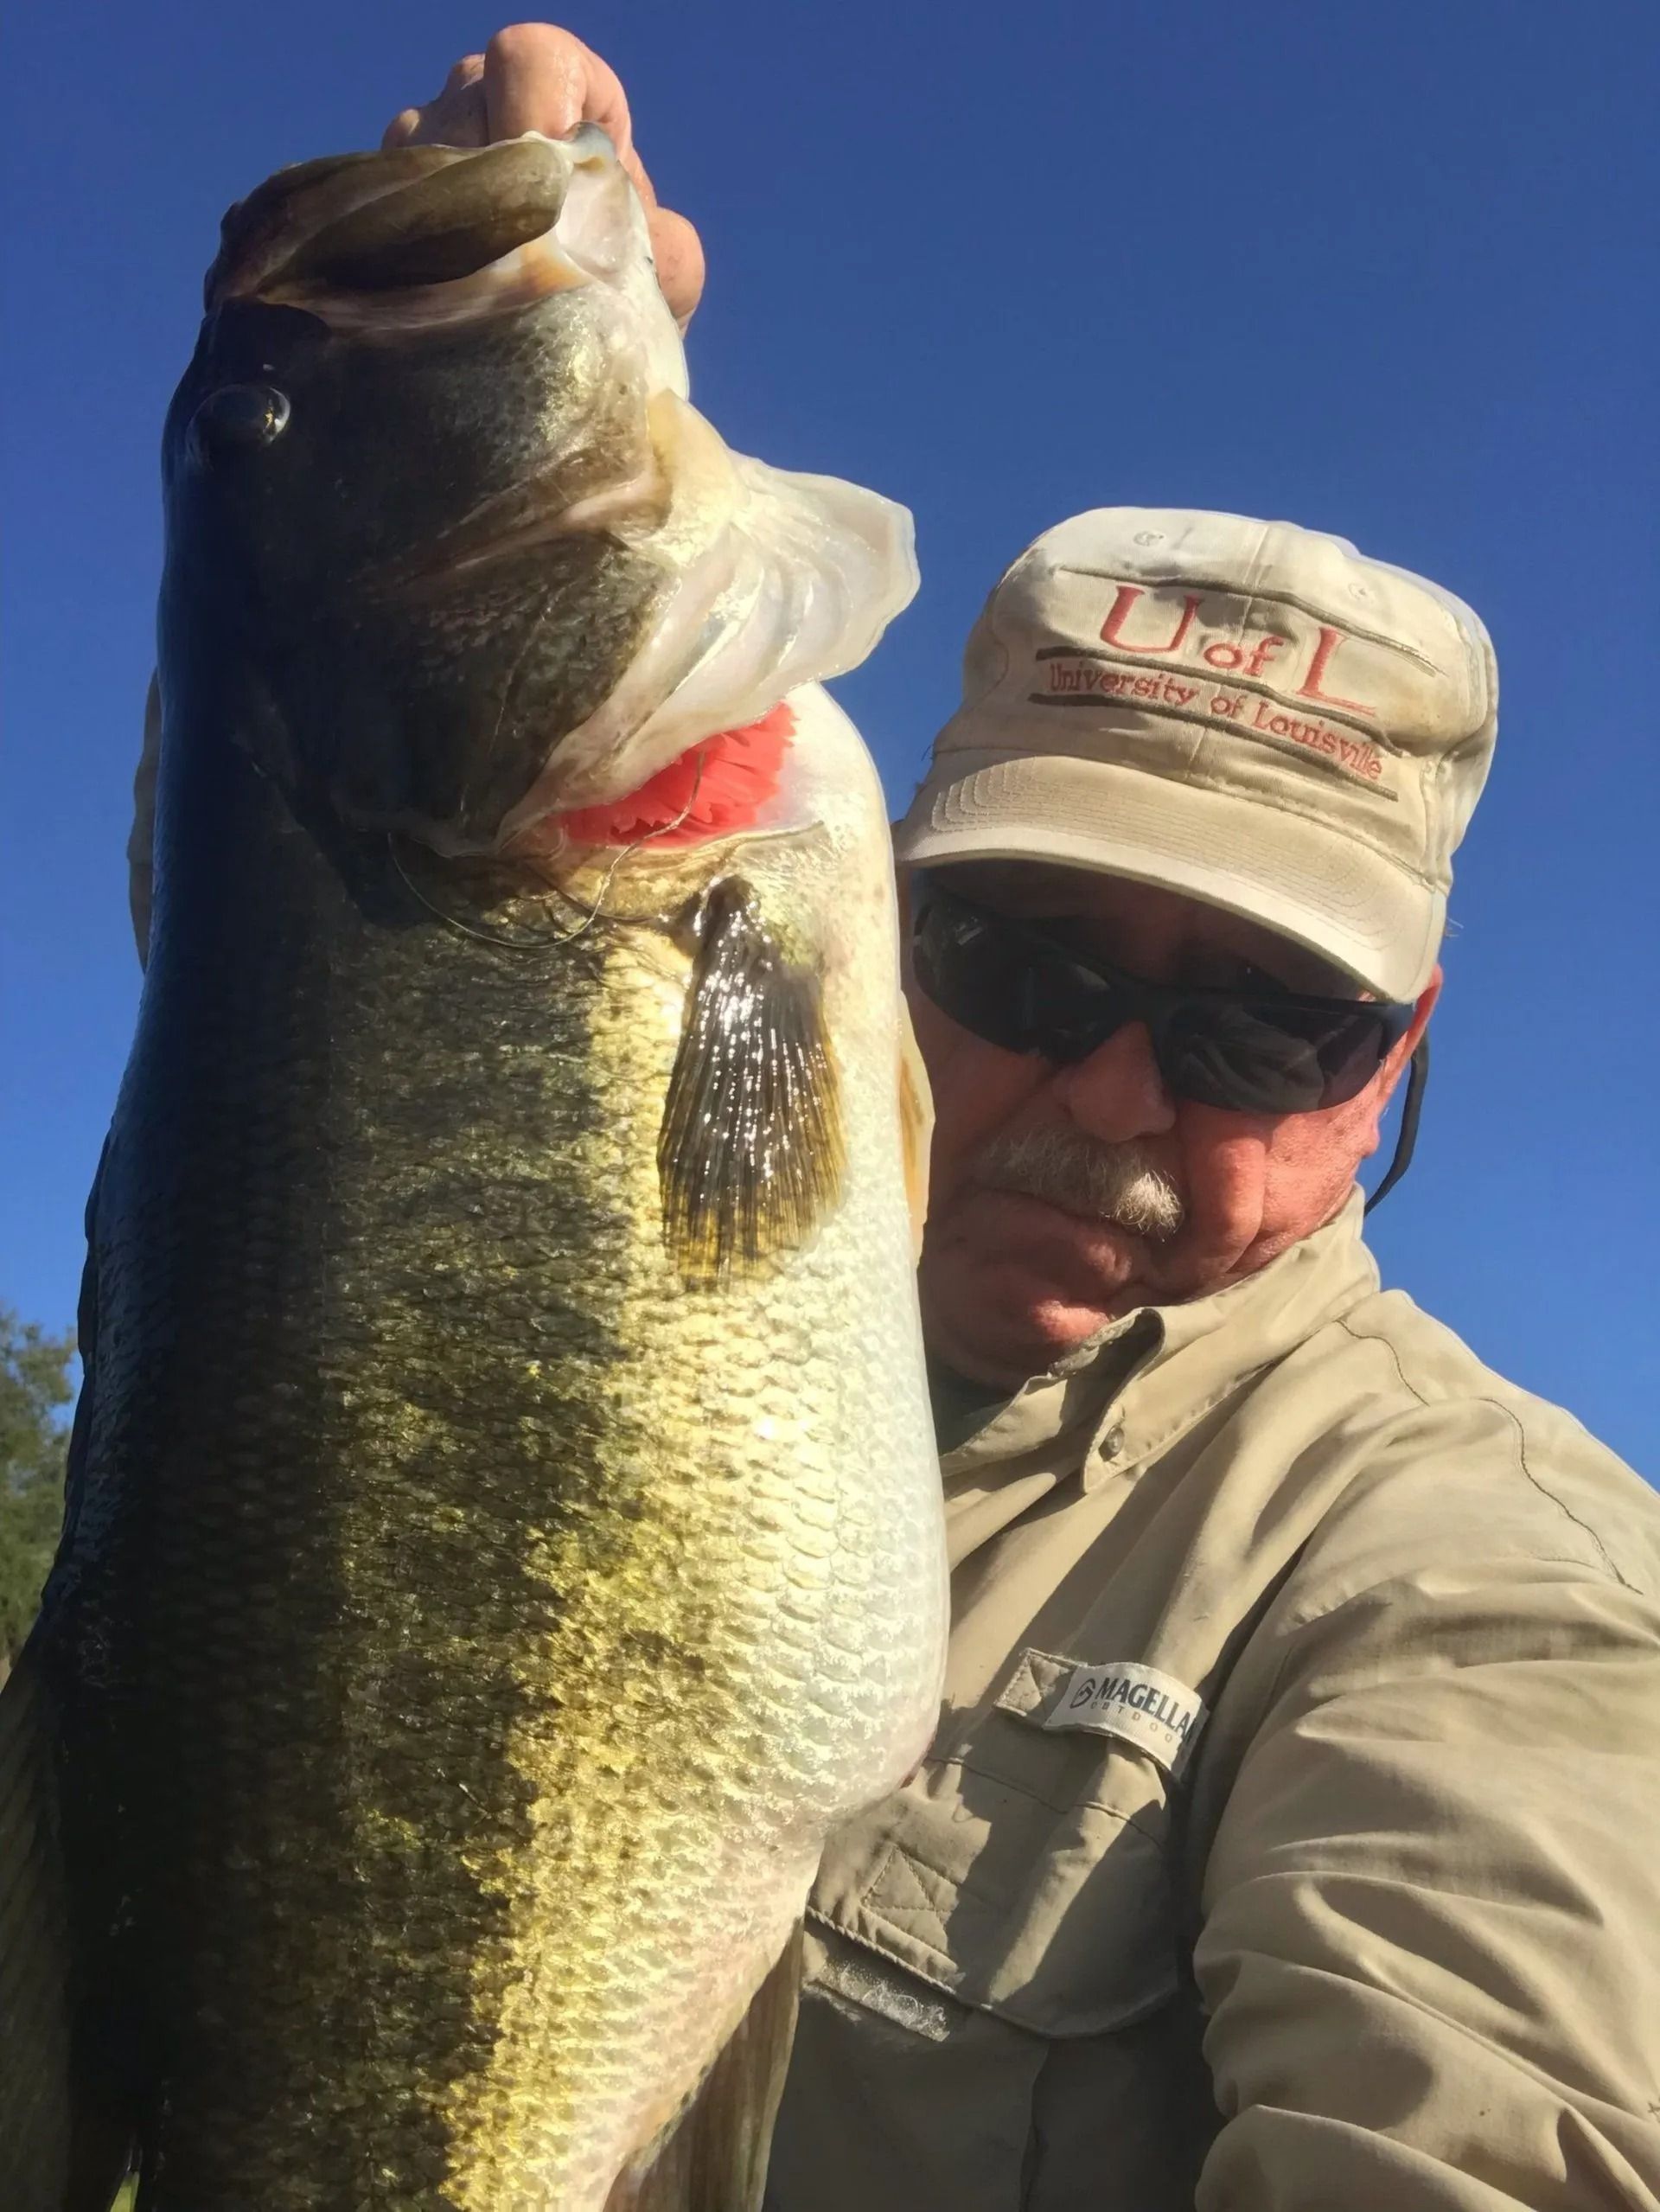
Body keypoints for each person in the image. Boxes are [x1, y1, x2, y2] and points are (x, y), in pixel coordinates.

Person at [135, 29, 1660, 2209]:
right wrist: (446, 406)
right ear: (885, 924)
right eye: (1030, 962)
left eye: (1261, 1027)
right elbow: (348, 904)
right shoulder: (623, 915)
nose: (1119, 1087)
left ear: (1394, 1057)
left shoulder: (1468, 1574)